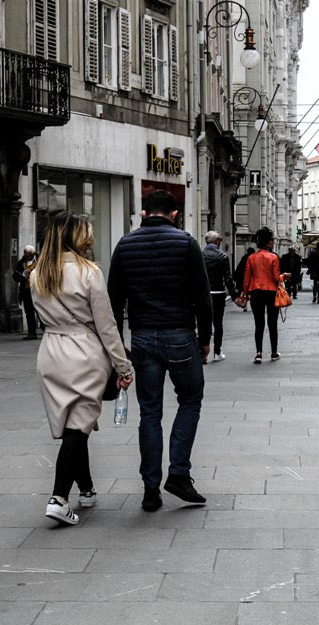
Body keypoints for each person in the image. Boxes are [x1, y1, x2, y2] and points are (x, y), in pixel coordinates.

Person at [107, 190, 211, 512]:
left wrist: (117, 345)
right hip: (180, 334)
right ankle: (178, 474)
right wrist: (206, 340)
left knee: (150, 412)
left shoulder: (125, 245)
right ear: (174, 214)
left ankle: (150, 488)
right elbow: (202, 297)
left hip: (142, 337)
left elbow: (114, 300)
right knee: (190, 400)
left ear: (144, 213)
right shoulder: (186, 243)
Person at [30, 212, 133, 526]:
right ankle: (59, 498)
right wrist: (123, 365)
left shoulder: (37, 273)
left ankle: (86, 488)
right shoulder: (89, 272)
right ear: (77, 237)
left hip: (51, 352)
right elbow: (107, 326)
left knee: (74, 425)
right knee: (78, 427)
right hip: (84, 353)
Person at [242, 227, 285, 364]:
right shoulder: (273, 257)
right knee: (272, 324)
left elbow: (247, 279)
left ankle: (259, 353)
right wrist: (284, 276)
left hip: (256, 292)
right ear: (267, 242)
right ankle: (274, 352)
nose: (273, 242)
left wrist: (244, 295)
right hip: (271, 292)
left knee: (258, 324)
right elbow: (276, 278)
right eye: (271, 240)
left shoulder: (251, 258)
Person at [203, 231, 236, 363]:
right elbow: (228, 278)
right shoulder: (222, 256)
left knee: (204, 323)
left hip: (204, 294)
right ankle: (217, 351)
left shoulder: (200, 254)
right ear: (216, 241)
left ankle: (203, 353)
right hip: (218, 293)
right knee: (218, 323)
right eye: (220, 239)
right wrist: (234, 296)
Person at [14, 245, 40, 339]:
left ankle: (46, 330)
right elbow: (15, 276)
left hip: (38, 291)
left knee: (40, 311)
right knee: (29, 312)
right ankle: (32, 333)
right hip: (26, 291)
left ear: (32, 253)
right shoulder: (21, 263)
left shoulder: (40, 261)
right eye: (25, 254)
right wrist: (22, 277)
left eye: (28, 254)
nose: (26, 256)